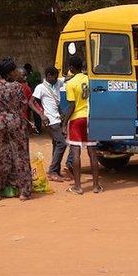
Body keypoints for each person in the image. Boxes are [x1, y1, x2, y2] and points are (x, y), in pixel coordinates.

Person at [0, 58, 32, 201]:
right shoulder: (18, 86)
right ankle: (24, 192)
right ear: (10, 72)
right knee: (20, 155)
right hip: (16, 122)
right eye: (14, 70)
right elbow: (24, 104)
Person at [64, 53, 101, 194]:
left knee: (76, 153)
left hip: (76, 119)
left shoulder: (71, 83)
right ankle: (96, 186)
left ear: (72, 68)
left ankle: (78, 187)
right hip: (89, 117)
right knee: (92, 152)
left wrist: (64, 122)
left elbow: (71, 106)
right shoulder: (90, 80)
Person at [30, 66, 67, 181]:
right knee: (62, 144)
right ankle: (52, 171)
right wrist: (41, 115)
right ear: (48, 76)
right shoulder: (40, 87)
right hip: (50, 120)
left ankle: (56, 170)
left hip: (58, 119)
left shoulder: (58, 82)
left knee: (56, 144)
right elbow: (31, 102)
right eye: (54, 77)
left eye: (57, 77)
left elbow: (66, 79)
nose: (56, 79)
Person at [23, 63, 44, 134]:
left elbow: (38, 82)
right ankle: (36, 128)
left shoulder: (30, 75)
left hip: (33, 95)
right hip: (34, 95)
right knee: (34, 112)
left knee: (32, 112)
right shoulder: (34, 74)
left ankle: (36, 128)